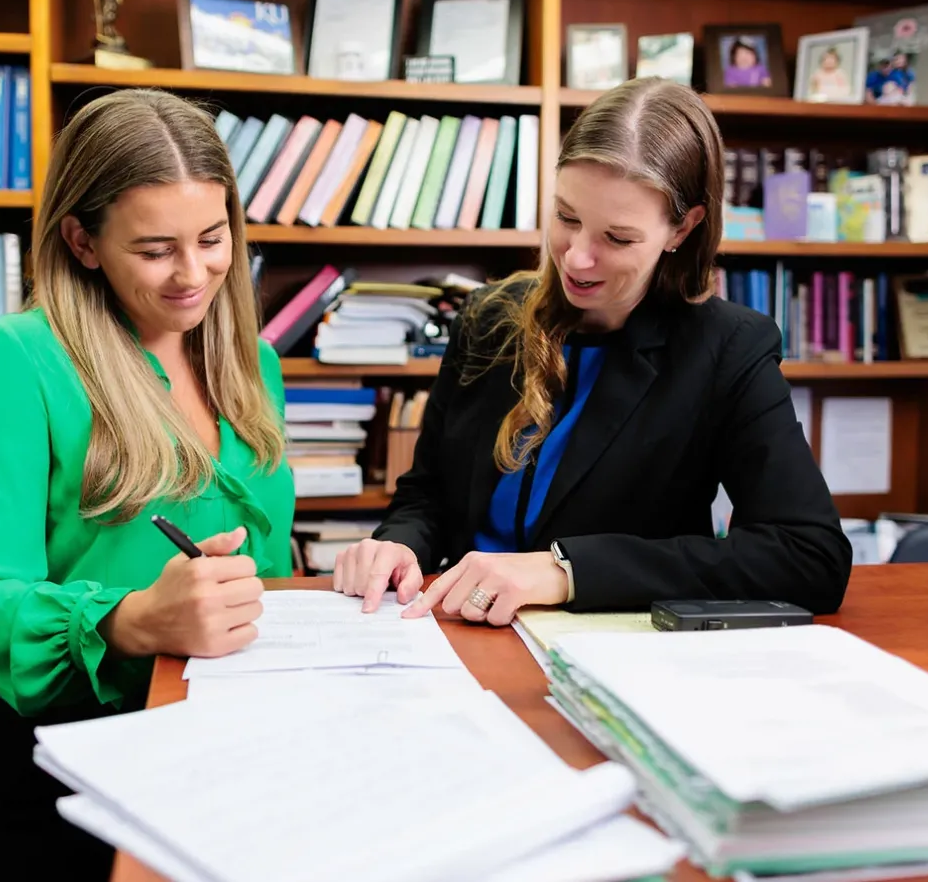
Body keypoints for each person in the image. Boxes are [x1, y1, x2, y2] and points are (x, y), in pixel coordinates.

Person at [0, 88, 295, 882]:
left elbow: (266, 559)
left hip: (231, 736)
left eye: (212, 237)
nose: (193, 275)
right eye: (156, 249)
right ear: (82, 240)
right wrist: (131, 620)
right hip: (75, 757)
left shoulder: (251, 362)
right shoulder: (17, 359)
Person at [334, 77, 852, 624]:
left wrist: (566, 571)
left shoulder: (727, 348)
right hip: (458, 631)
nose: (577, 258)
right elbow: (427, 494)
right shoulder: (487, 317)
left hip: (610, 649)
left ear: (683, 227)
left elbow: (810, 556)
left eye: (618, 238)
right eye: (567, 218)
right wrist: (399, 547)